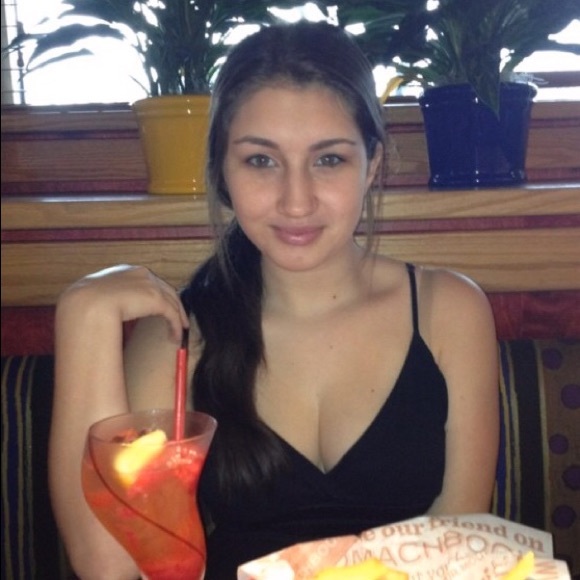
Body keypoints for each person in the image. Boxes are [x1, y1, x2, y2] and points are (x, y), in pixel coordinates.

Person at [49, 20, 499, 580]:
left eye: (329, 159)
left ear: (372, 166)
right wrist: (84, 317)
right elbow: (110, 566)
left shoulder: (448, 311)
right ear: (222, 170)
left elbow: (459, 539)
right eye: (261, 160)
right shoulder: (179, 335)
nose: (296, 201)